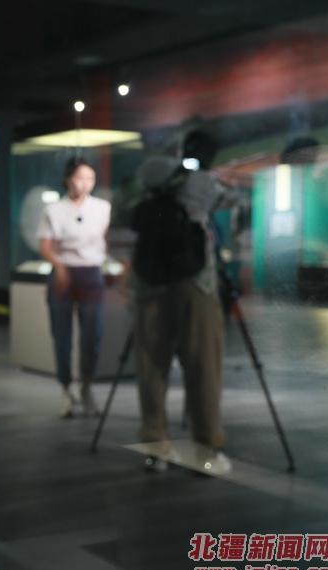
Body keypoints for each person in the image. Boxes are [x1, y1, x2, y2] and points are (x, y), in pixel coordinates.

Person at [128, 129, 241, 474]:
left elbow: (127, 211)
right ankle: (206, 449)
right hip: (196, 283)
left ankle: (155, 447)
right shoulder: (203, 182)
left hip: (149, 284)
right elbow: (232, 199)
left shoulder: (150, 173)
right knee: (203, 365)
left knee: (151, 365)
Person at [37, 157, 111, 417]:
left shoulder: (102, 207)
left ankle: (87, 387)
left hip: (91, 273)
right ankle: (66, 389)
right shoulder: (54, 209)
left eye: (90, 178)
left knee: (93, 334)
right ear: (68, 179)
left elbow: (108, 240)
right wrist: (58, 266)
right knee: (62, 335)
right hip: (63, 274)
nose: (85, 183)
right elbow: (45, 245)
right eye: (80, 177)